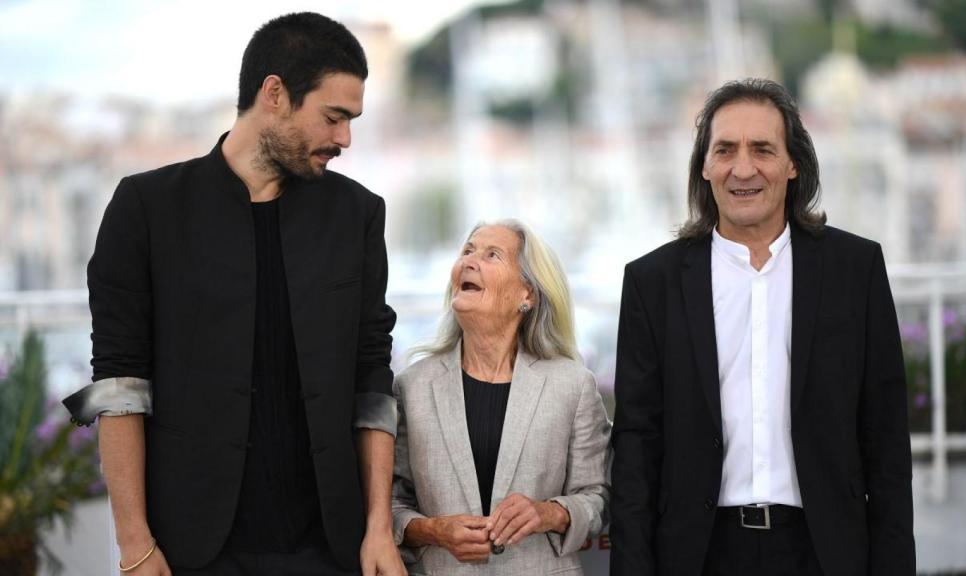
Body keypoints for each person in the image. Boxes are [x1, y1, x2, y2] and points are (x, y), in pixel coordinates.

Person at [62, 12, 405, 576]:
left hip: (332, 547)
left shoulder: (357, 214)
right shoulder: (146, 209)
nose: (344, 138)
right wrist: (134, 545)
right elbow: (119, 384)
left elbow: (372, 377)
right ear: (274, 93)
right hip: (189, 549)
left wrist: (377, 529)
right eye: (333, 117)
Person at [610, 78, 915, 575]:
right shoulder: (652, 283)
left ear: (793, 164)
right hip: (698, 556)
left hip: (825, 553)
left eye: (762, 149)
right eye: (725, 149)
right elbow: (636, 451)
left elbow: (886, 444)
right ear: (704, 166)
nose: (743, 168)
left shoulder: (855, 270)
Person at [390, 220, 611, 575]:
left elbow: (598, 498)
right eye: (467, 251)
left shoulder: (573, 385)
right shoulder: (412, 385)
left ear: (528, 294)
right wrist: (434, 530)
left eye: (492, 255)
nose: (470, 262)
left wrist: (548, 512)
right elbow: (390, 504)